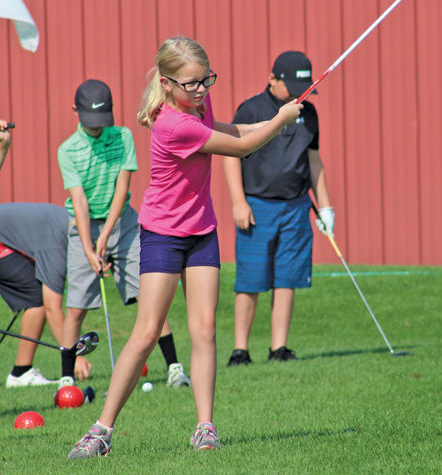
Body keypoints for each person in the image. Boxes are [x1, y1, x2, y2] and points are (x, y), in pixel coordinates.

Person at [67, 36, 303, 459]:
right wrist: (281, 120)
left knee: (205, 330)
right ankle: (101, 429)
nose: (200, 91)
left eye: (205, 81)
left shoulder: (197, 108)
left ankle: (205, 427)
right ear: (167, 83)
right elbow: (243, 147)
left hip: (201, 233)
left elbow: (230, 132)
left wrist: (264, 122)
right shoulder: (172, 124)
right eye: (191, 84)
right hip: (162, 233)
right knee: (145, 333)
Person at [57, 79, 189, 388]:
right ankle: (65, 380)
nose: (98, 128)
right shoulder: (68, 150)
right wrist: (90, 246)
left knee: (149, 295)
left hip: (124, 223)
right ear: (75, 111)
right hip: (82, 225)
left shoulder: (123, 136)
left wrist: (105, 238)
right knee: (76, 306)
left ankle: (174, 368)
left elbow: (122, 189)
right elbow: (79, 201)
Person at [223, 51, 334, 366]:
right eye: (292, 84)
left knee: (288, 277)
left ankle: (279, 348)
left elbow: (313, 160)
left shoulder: (308, 113)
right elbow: (231, 154)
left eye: (304, 85)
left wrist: (325, 208)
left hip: (297, 206)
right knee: (251, 278)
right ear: (272, 79)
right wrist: (238, 201)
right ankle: (240, 350)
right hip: (257, 205)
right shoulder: (252, 108)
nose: (299, 91)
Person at [0, 202, 79, 387]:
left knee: (34, 296)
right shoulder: (57, 243)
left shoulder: (67, 222)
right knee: (37, 299)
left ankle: (21, 371)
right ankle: (20, 373)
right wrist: (75, 357)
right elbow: (53, 308)